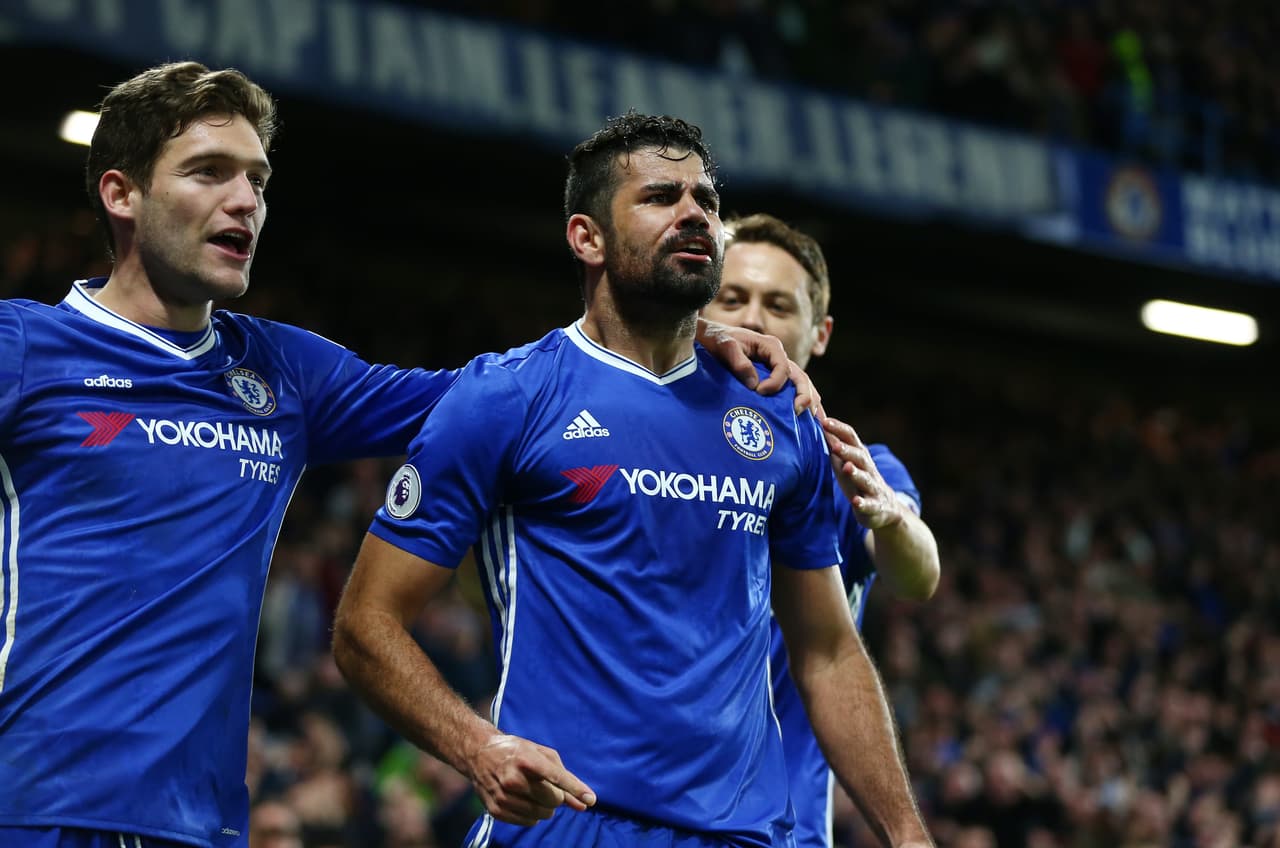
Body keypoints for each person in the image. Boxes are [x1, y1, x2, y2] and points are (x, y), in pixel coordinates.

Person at [0, 63, 807, 848]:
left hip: (198, 818)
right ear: (121, 194)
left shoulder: (283, 372)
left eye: (258, 179)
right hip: (29, 802)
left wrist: (683, 333)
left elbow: (525, 392)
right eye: (209, 173)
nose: (244, 201)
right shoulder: (25, 348)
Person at [331, 110, 933, 847]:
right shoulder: (507, 397)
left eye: (705, 201)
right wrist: (474, 745)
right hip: (564, 826)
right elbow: (365, 625)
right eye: (660, 197)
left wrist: (907, 834)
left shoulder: (782, 416)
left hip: (743, 835)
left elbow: (827, 649)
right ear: (587, 237)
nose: (694, 216)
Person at [701, 213, 942, 848]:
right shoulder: (644, 445)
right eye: (733, 297)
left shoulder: (848, 462)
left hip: (783, 830)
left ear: (820, 333)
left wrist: (889, 517)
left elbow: (917, 575)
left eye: (778, 304)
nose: (753, 318)